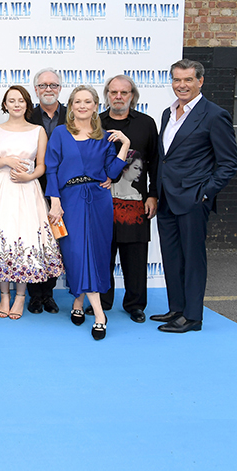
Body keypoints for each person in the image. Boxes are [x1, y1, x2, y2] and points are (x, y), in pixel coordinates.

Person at [151, 59, 237, 333]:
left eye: (188, 80)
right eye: (177, 80)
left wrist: (205, 193)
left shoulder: (214, 114)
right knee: (172, 257)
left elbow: (228, 163)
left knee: (193, 259)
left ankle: (193, 317)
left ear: (200, 81)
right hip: (166, 197)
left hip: (192, 199)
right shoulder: (168, 112)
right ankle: (177, 309)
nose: (182, 85)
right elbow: (166, 158)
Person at [0, 85, 64, 320]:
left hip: (27, 192)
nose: (17, 104)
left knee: (24, 239)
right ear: (5, 105)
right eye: (12, 101)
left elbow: (42, 165)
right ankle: (4, 295)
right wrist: (5, 161)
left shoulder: (38, 131)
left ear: (27, 103)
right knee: (2, 240)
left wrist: (29, 176)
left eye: (21, 100)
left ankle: (20, 297)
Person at [45, 85, 130, 340]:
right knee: (76, 253)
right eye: (77, 102)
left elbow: (112, 172)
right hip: (69, 200)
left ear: (95, 106)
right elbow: (51, 169)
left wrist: (124, 145)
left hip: (98, 201)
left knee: (95, 252)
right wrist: (55, 201)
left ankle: (79, 303)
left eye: (88, 101)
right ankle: (100, 313)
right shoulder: (60, 133)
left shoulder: (104, 137)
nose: (82, 106)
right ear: (71, 106)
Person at [96, 74, 159, 324]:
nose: (118, 97)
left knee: (135, 256)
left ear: (132, 96)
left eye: (124, 92)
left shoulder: (146, 123)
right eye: (113, 92)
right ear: (107, 95)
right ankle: (101, 301)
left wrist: (153, 194)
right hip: (101, 203)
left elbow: (155, 162)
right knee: (103, 254)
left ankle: (135, 305)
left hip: (136, 203)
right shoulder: (95, 123)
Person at [25, 68, 67, 315]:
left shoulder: (73, 114)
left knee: (56, 241)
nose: (48, 89)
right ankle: (34, 295)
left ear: (60, 88)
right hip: (33, 186)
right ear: (36, 90)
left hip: (66, 188)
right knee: (34, 240)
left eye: (52, 85)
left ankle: (49, 294)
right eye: (42, 85)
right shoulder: (27, 114)